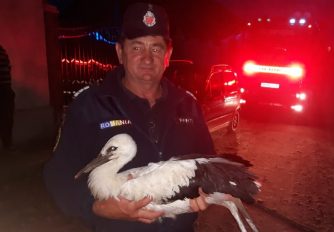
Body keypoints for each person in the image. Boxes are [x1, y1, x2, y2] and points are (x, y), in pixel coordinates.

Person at [43, 3, 215, 232]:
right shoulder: (89, 106)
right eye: (136, 47)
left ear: (168, 55)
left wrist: (205, 191)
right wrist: (95, 206)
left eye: (156, 48)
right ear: (120, 53)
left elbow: (207, 164)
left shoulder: (188, 105)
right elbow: (57, 174)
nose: (147, 57)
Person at [0, 44, 15, 151]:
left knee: (7, 118)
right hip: (4, 88)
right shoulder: (2, 51)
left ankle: (7, 144)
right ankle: (7, 144)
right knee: (6, 117)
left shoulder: (2, 51)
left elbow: (7, 68)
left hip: (5, 89)